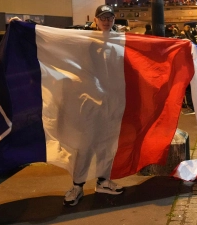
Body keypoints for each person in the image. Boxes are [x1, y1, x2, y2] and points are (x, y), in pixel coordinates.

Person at [63, 5, 124, 207]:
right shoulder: (85, 39)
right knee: (85, 143)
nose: (106, 21)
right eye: (103, 17)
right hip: (90, 100)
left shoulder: (120, 41)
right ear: (96, 20)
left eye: (110, 17)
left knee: (107, 142)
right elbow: (57, 40)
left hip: (112, 101)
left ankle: (103, 181)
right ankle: (77, 184)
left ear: (114, 20)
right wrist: (26, 26)